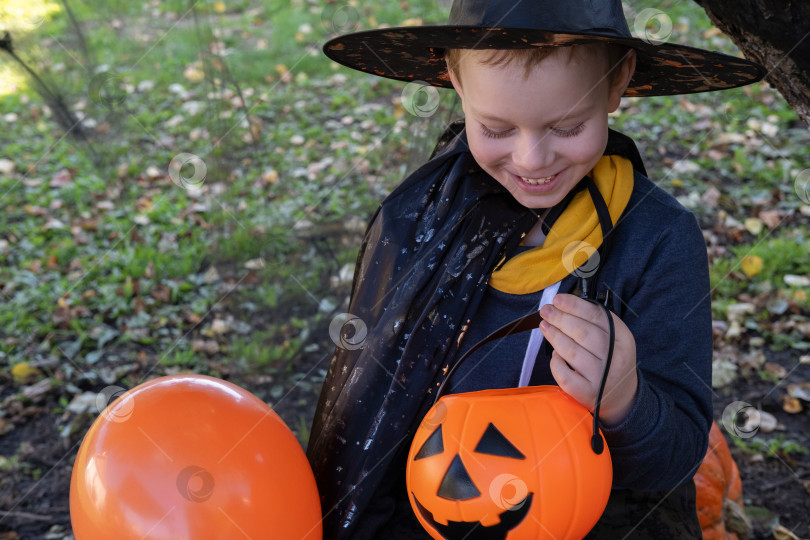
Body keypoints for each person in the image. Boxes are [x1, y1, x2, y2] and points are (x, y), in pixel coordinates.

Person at [306, 1, 765, 538]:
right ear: (454, 81)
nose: (531, 160)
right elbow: (369, 420)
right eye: (496, 130)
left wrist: (623, 400)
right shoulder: (419, 222)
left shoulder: (658, 241)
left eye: (567, 126)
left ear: (618, 81)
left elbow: (677, 456)